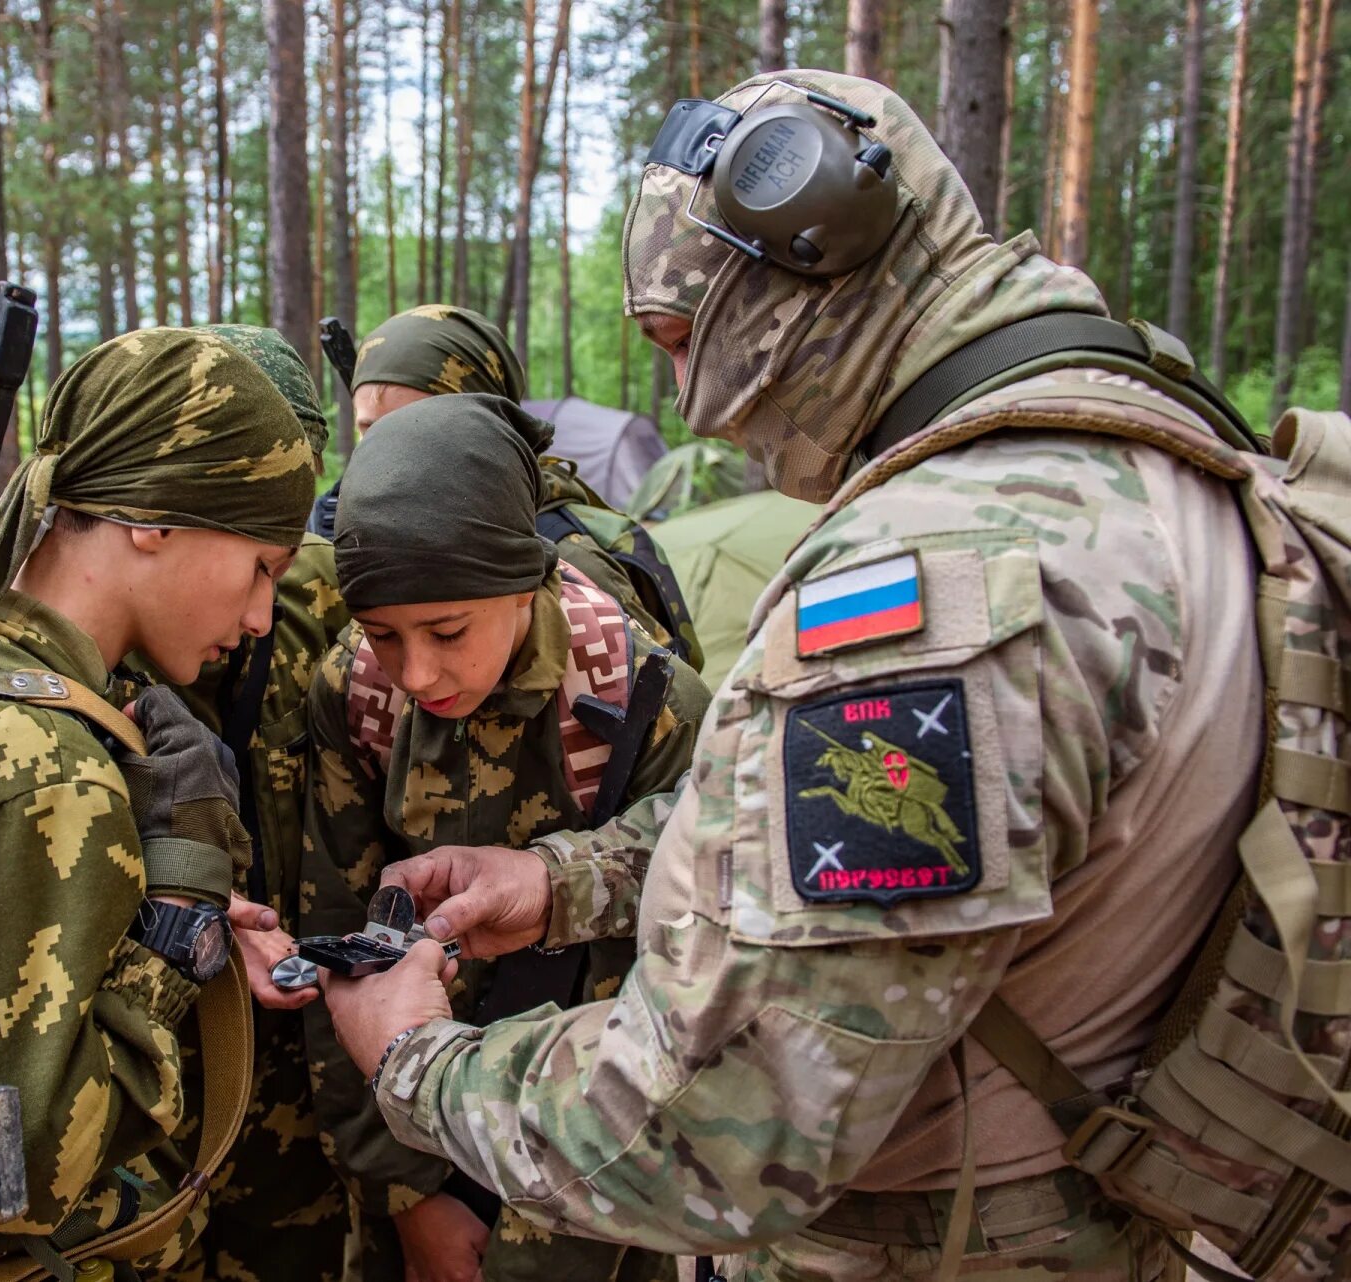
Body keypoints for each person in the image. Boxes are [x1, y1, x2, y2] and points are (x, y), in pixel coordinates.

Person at [321, 69, 1261, 1279]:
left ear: (806, 258)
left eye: (680, 338)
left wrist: (417, 1062)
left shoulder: (937, 587)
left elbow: (714, 1135)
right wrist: (565, 883)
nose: (693, 405)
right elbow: (878, 884)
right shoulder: (1152, 450)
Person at [0, 328, 316, 1276]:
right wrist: (176, 927)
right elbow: (19, 1179)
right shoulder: (39, 763)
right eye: (259, 566)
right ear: (154, 520)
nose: (261, 617)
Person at [301, 392, 711, 1282]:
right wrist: (404, 1195)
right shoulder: (359, 692)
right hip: (409, 1123)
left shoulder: (643, 700)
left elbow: (706, 931)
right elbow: (337, 942)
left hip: (590, 1147)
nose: (416, 672)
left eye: (448, 631)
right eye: (381, 632)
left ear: (527, 582)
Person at [122, 324, 351, 1282]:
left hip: (293, 1050)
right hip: (147, 1058)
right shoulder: (92, 646)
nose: (265, 585)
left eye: (284, 548)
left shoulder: (330, 605)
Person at [314, 304, 698, 665]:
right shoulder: (342, 530)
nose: (383, 449)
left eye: (412, 424)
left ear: (489, 428)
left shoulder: (565, 554)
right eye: (369, 427)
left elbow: (655, 702)